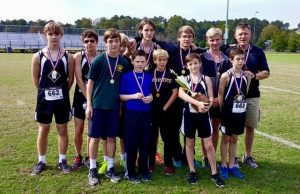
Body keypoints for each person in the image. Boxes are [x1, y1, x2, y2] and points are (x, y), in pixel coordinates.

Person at [85, 28, 131, 186]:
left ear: (120, 42)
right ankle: (92, 168)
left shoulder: (124, 63)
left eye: (116, 41)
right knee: (95, 138)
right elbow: (90, 83)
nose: (113, 44)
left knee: (111, 137)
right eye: (110, 41)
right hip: (98, 105)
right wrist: (89, 104)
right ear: (105, 43)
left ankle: (111, 167)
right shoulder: (98, 60)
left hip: (114, 107)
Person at [30, 21, 74, 175]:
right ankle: (41, 161)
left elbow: (70, 79)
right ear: (45, 35)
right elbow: (36, 79)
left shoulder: (68, 56)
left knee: (62, 129)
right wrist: (46, 92)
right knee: (44, 129)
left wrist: (60, 92)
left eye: (56, 33)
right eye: (50, 33)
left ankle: (62, 160)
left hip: (62, 101)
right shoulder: (38, 56)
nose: (53, 36)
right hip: (44, 100)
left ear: (61, 35)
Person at [158, 25, 205, 168]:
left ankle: (188, 156)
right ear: (178, 37)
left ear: (193, 38)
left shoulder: (196, 52)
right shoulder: (171, 50)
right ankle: (176, 154)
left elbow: (216, 48)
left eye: (190, 36)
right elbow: (154, 39)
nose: (187, 39)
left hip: (191, 95)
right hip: (174, 96)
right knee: (172, 129)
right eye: (184, 36)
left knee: (189, 129)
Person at [226, 23, 270, 168]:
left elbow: (266, 72)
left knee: (249, 127)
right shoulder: (229, 50)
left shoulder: (257, 52)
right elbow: (211, 47)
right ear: (235, 36)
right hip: (233, 98)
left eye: (245, 33)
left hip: (251, 96)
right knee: (233, 128)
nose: (243, 36)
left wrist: (254, 75)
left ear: (250, 34)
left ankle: (247, 155)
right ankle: (233, 157)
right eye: (240, 34)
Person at [178, 53, 225, 187]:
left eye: (196, 63)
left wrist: (207, 106)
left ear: (200, 64)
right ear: (187, 66)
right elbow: (181, 94)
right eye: (190, 64)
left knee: (208, 145)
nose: (193, 66)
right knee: (189, 144)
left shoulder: (207, 79)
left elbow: (210, 98)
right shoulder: (184, 79)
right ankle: (192, 171)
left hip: (203, 116)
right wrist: (196, 102)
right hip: (189, 116)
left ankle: (214, 173)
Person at [98, 32, 131, 175]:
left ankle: (124, 159)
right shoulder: (105, 60)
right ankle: (107, 160)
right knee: (107, 136)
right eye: (120, 44)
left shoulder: (127, 63)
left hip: (122, 105)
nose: (121, 47)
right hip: (108, 105)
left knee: (123, 134)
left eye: (124, 45)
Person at [133, 18, 164, 165]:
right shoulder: (134, 46)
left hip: (153, 90)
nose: (149, 33)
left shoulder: (158, 47)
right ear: (141, 31)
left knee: (154, 126)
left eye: (151, 30)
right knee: (137, 124)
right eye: (146, 30)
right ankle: (138, 155)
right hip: (136, 90)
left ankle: (153, 153)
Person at [120, 50, 153, 184]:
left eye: (142, 61)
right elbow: (121, 96)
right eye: (137, 61)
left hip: (146, 114)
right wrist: (133, 96)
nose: (140, 64)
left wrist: (150, 98)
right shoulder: (126, 77)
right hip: (131, 114)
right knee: (131, 143)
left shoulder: (149, 76)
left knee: (145, 143)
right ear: (132, 61)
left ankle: (144, 170)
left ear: (146, 62)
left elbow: (151, 93)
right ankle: (131, 172)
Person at [201, 27, 231, 168]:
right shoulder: (202, 58)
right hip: (206, 99)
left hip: (221, 99)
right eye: (211, 40)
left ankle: (212, 155)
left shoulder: (226, 59)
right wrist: (208, 98)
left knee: (215, 126)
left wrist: (220, 98)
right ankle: (205, 157)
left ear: (221, 40)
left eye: (217, 39)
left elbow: (229, 81)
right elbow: (198, 79)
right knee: (205, 128)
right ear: (207, 41)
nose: (215, 42)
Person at [218, 46, 250, 179]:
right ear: (231, 60)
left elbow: (245, 94)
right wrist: (221, 113)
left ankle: (232, 165)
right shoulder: (226, 76)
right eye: (237, 59)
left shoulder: (246, 76)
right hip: (227, 114)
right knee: (226, 139)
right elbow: (220, 95)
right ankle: (224, 165)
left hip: (239, 113)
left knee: (235, 139)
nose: (241, 61)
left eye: (242, 59)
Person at [72, 30, 99, 169]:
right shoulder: (78, 56)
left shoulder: (101, 57)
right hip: (80, 96)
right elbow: (79, 79)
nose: (89, 44)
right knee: (79, 129)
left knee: (91, 129)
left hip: (95, 98)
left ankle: (89, 157)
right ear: (83, 43)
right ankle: (78, 155)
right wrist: (88, 97)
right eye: (86, 41)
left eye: (92, 41)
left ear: (97, 42)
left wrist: (92, 98)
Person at [150, 49, 178, 175]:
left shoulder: (171, 74)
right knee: (151, 138)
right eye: (159, 60)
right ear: (154, 60)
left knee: (167, 138)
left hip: (166, 112)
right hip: (151, 111)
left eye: (164, 60)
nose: (162, 62)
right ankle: (150, 162)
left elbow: (175, 93)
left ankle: (168, 163)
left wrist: (165, 108)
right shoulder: (150, 73)